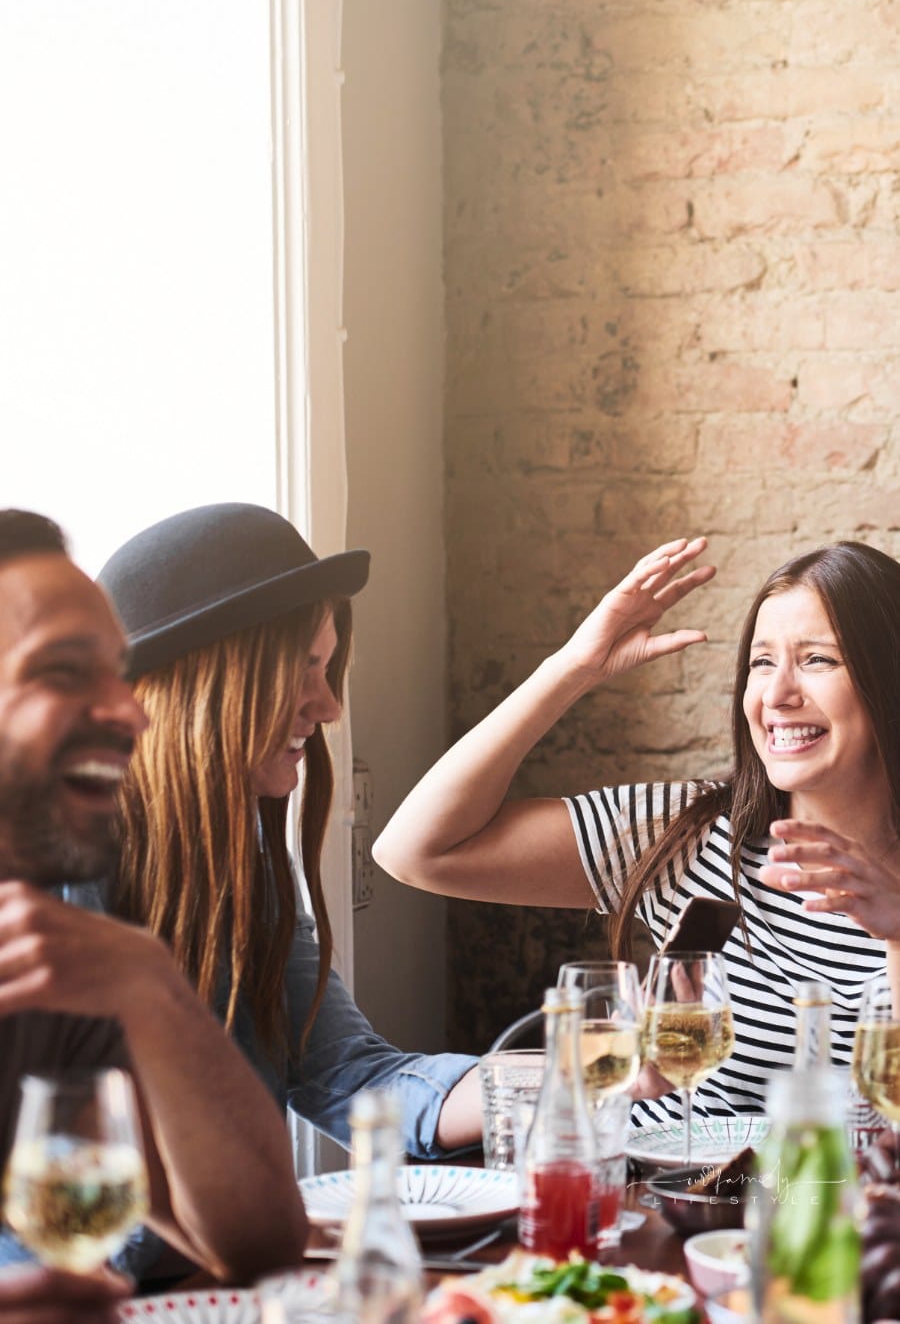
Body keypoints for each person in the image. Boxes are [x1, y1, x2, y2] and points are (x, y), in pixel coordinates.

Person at [373, 535, 900, 1128]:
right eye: (761, 662)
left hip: (837, 1211)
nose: (776, 695)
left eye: (817, 660)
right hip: (669, 1203)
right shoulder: (691, 834)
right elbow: (415, 851)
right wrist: (574, 667)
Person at [80, 502, 479, 1159]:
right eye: (303, 670)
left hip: (225, 1261)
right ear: (204, 685)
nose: (329, 706)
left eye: (326, 669)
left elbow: (347, 1075)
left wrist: (575, 1072)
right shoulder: (52, 869)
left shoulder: (250, 852)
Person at [0, 509, 308, 1316]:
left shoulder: (54, 935)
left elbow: (257, 1245)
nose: (131, 711)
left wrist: (154, 989)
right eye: (64, 672)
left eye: (119, 670)